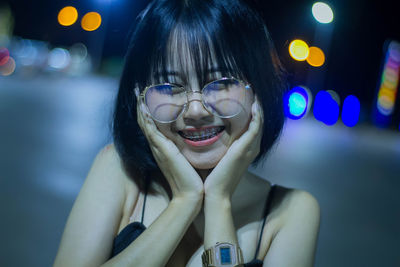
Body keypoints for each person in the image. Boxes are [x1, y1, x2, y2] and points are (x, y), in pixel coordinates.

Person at [53, 0, 320, 266]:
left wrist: (218, 201)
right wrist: (184, 201)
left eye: (221, 82)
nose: (195, 110)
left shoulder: (291, 211)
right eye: (169, 87)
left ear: (259, 91)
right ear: (139, 97)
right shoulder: (118, 172)